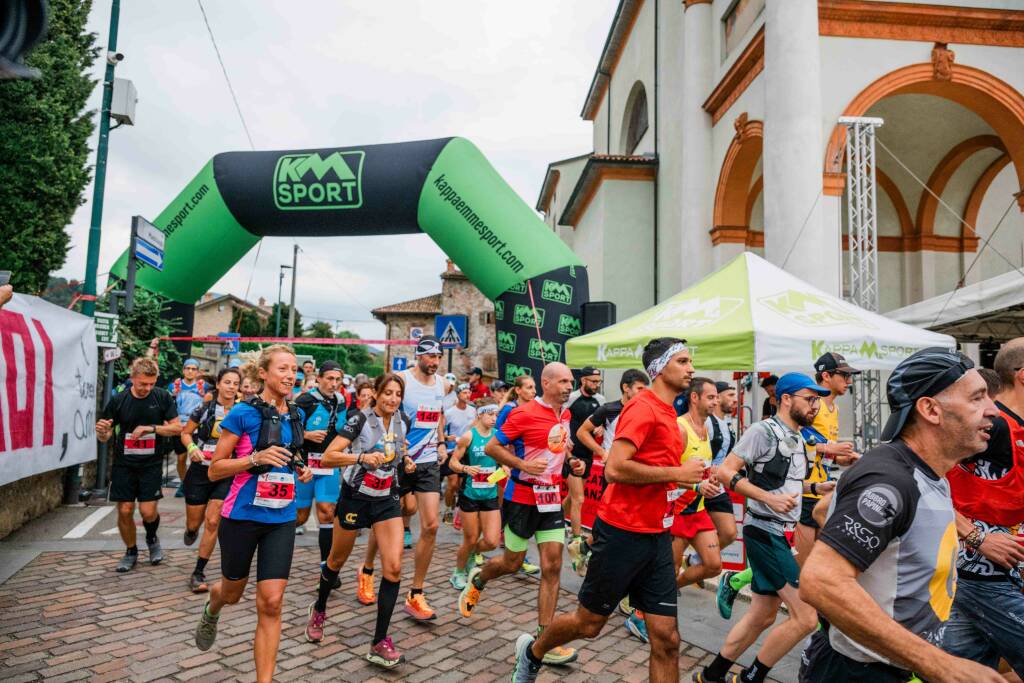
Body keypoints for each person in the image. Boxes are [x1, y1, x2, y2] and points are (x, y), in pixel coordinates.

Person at [799, 348, 1004, 683]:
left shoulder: (926, 470)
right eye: (978, 397)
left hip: (896, 666)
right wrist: (940, 665)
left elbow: (824, 510)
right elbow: (820, 581)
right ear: (930, 410)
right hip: (857, 672)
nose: (993, 410)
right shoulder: (890, 478)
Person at [508, 338, 703, 683]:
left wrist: (693, 478)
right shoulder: (643, 407)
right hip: (622, 533)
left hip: (657, 535)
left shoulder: (670, 412)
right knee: (589, 624)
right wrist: (677, 473)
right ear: (659, 368)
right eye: (684, 361)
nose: (691, 368)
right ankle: (534, 651)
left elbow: (658, 468)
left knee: (667, 640)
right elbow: (615, 468)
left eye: (691, 361)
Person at [695, 372, 830, 683]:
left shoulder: (796, 436)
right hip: (764, 531)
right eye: (809, 400)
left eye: (817, 401)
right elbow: (726, 472)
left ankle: (710, 677)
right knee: (807, 617)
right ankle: (750, 678)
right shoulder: (762, 431)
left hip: (780, 532)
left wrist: (815, 488)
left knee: (763, 615)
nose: (815, 407)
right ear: (785, 399)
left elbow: (782, 483)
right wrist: (768, 498)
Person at [193, 345, 313, 683]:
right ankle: (213, 606)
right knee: (232, 593)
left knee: (272, 603)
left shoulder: (295, 414)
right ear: (263, 373)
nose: (291, 375)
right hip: (241, 517)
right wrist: (253, 460)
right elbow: (215, 469)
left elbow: (289, 455)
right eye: (283, 369)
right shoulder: (242, 413)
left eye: (294, 370)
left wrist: (300, 468)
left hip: (281, 518)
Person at [458, 362, 584, 668]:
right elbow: (491, 447)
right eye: (564, 381)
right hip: (521, 498)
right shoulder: (523, 413)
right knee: (511, 563)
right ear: (547, 383)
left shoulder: (564, 414)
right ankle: (480, 576)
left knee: (552, 566)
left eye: (571, 381)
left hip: (551, 498)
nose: (570, 386)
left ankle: (545, 640)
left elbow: (557, 447)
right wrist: (523, 466)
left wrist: (573, 462)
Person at [306, 373, 415, 668]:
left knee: (393, 569)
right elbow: (329, 457)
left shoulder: (402, 421)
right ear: (376, 394)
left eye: (398, 394)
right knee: (336, 561)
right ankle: (319, 607)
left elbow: (396, 454)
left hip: (386, 501)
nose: (393, 399)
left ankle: (379, 641)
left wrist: (405, 461)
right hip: (355, 497)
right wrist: (361, 459)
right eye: (388, 393)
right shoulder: (359, 420)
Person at [941, 342, 1024, 677]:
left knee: (964, 673)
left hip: (988, 577)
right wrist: (977, 538)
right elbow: (921, 480)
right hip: (987, 577)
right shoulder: (996, 425)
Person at [370, 335, 449, 620]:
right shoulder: (402, 380)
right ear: (419, 355)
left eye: (439, 357)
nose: (435, 362)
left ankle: (416, 592)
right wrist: (395, 449)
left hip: (427, 463)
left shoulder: (442, 384)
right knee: (384, 518)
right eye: (430, 357)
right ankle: (367, 568)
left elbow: (438, 415)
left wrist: (440, 442)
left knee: (430, 525)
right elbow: (384, 412)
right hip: (399, 460)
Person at [95, 357, 181, 572]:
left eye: (152, 383)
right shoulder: (119, 400)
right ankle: (131, 551)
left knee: (148, 511)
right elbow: (104, 437)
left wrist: (151, 428)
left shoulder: (162, 397)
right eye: (143, 383)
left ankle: (152, 539)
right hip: (124, 464)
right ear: (133, 378)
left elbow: (177, 428)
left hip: (151, 464)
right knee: (124, 510)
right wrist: (102, 432)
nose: (147, 388)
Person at [572, 368, 650, 575]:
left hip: (635, 472)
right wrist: (601, 452)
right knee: (611, 520)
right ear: (626, 388)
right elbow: (581, 432)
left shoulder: (645, 411)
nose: (644, 393)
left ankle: (584, 548)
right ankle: (599, 563)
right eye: (640, 388)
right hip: (614, 471)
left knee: (624, 521)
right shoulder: (609, 409)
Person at [180, 367, 242, 592]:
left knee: (214, 521)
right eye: (227, 382)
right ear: (218, 384)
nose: (231, 387)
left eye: (235, 383)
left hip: (225, 473)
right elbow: (185, 433)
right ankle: (190, 531)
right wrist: (192, 447)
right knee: (194, 523)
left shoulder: (242, 411)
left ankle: (198, 572)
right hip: (200, 471)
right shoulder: (204, 408)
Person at [294, 361, 347, 578]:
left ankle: (327, 568)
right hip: (304, 466)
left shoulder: (341, 402)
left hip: (328, 465)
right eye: (330, 379)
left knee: (327, 512)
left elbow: (344, 431)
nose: (334, 384)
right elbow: (289, 429)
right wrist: (306, 435)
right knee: (300, 517)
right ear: (319, 378)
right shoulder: (305, 400)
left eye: (338, 380)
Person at [672, 377, 723, 593]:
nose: (716, 402)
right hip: (676, 510)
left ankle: (667, 591)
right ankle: (642, 611)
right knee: (668, 570)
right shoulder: (680, 428)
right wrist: (696, 487)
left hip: (698, 510)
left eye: (717, 398)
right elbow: (666, 475)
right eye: (710, 397)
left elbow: (702, 469)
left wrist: (711, 477)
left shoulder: (706, 428)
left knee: (713, 565)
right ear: (694, 397)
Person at [447, 399, 501, 589]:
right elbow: (452, 462)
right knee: (470, 539)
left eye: (496, 415)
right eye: (490, 414)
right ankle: (458, 573)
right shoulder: (469, 436)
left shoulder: (497, 436)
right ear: (480, 414)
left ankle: (470, 554)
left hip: (490, 494)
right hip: (470, 494)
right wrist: (464, 468)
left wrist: (507, 469)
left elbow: (505, 461)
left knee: (492, 542)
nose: (494, 418)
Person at [495, 373, 542, 577]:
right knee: (500, 505)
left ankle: (518, 556)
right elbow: (496, 438)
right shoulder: (509, 409)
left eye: (534, 387)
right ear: (518, 390)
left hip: (523, 467)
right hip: (508, 465)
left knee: (508, 511)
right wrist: (504, 462)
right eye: (529, 387)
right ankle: (480, 544)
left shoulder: (534, 409)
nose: (534, 391)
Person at [706, 381, 741, 616]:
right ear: (716, 398)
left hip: (718, 488)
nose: (735, 399)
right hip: (698, 486)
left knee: (729, 533)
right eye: (731, 395)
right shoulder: (708, 423)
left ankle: (696, 559)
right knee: (676, 544)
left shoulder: (727, 424)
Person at [565, 367, 605, 567]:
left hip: (588, 454)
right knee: (579, 499)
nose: (596, 385)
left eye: (598, 382)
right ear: (583, 380)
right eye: (593, 381)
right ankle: (577, 541)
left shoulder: (601, 400)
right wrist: (564, 442)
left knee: (573, 497)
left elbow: (604, 422)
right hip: (570, 454)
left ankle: (553, 516)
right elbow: (558, 418)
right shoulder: (571, 398)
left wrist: (601, 427)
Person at [170, 359, 208, 497]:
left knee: (195, 456)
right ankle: (183, 483)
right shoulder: (175, 385)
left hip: (197, 425)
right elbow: (169, 404)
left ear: (198, 371)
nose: (190, 371)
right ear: (183, 370)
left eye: (193, 368)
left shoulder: (203, 386)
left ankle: (193, 484)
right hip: (179, 424)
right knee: (180, 458)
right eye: (188, 368)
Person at [442, 383, 477, 525]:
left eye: (469, 393)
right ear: (458, 395)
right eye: (464, 393)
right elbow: (440, 430)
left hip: (467, 451)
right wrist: (446, 437)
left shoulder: (473, 411)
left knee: (463, 484)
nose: (467, 395)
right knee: (453, 483)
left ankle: (458, 510)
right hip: (452, 451)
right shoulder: (449, 412)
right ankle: (448, 509)